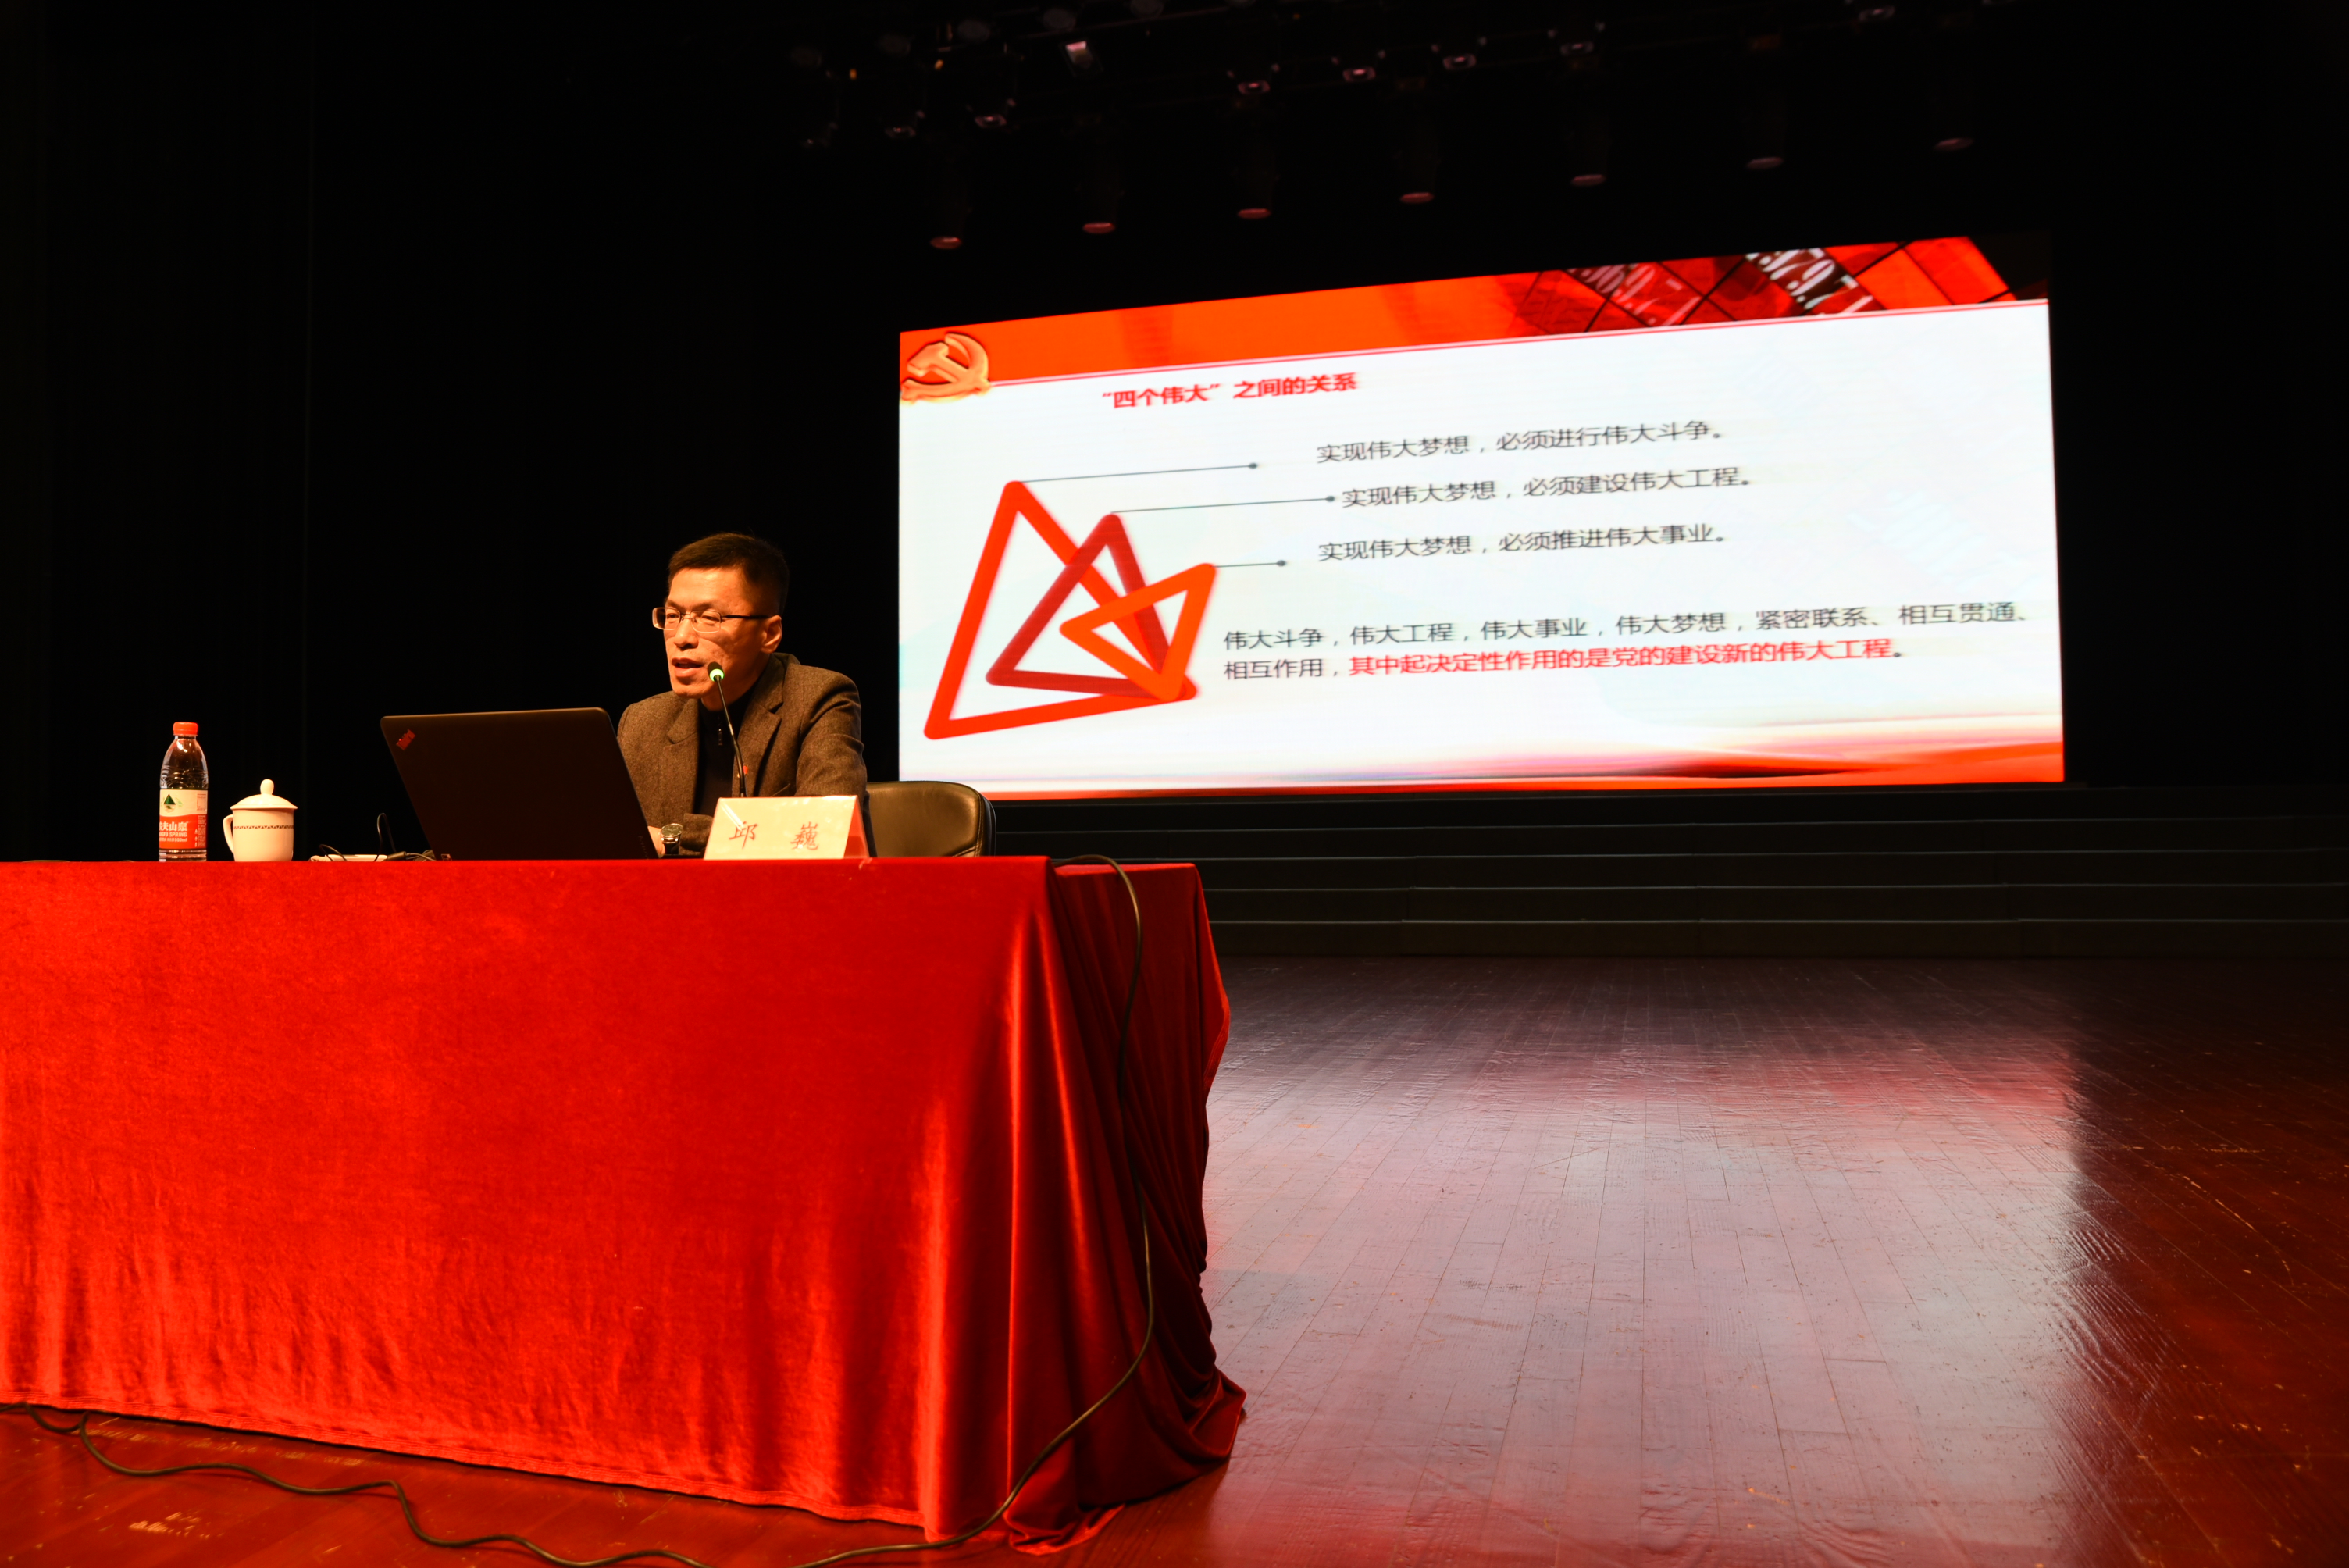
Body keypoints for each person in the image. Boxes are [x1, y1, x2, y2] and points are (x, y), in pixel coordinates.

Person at [618, 533, 868, 853]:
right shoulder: (643, 721)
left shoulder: (819, 700)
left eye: (709, 618)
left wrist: (674, 839)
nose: (681, 637)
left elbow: (824, 833)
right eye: (673, 616)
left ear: (769, 634)